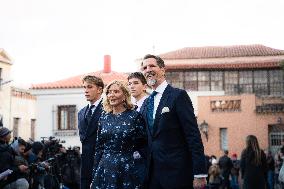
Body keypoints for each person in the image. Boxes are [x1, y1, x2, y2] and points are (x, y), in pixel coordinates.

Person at [140, 54, 207, 189]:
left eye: (152, 66)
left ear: (163, 70)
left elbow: (193, 135)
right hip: (151, 176)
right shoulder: (146, 103)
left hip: (177, 174)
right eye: (144, 67)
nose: (147, 70)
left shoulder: (178, 96)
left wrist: (199, 173)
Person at [91, 80, 147, 189]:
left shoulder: (135, 116)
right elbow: (99, 148)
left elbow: (143, 144)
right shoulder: (104, 118)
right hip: (105, 168)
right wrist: (94, 176)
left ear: (124, 95)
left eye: (116, 91)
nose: (111, 95)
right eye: (109, 92)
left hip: (127, 168)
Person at [78, 75, 104, 189]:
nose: (86, 91)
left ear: (99, 89)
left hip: (102, 161)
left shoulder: (108, 109)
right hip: (86, 163)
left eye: (89, 87)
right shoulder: (81, 112)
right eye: (84, 87)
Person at [127, 72, 149, 184]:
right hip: (132, 160)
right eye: (129, 83)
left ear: (145, 86)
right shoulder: (130, 108)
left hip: (148, 158)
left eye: (136, 83)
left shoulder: (151, 104)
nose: (132, 86)